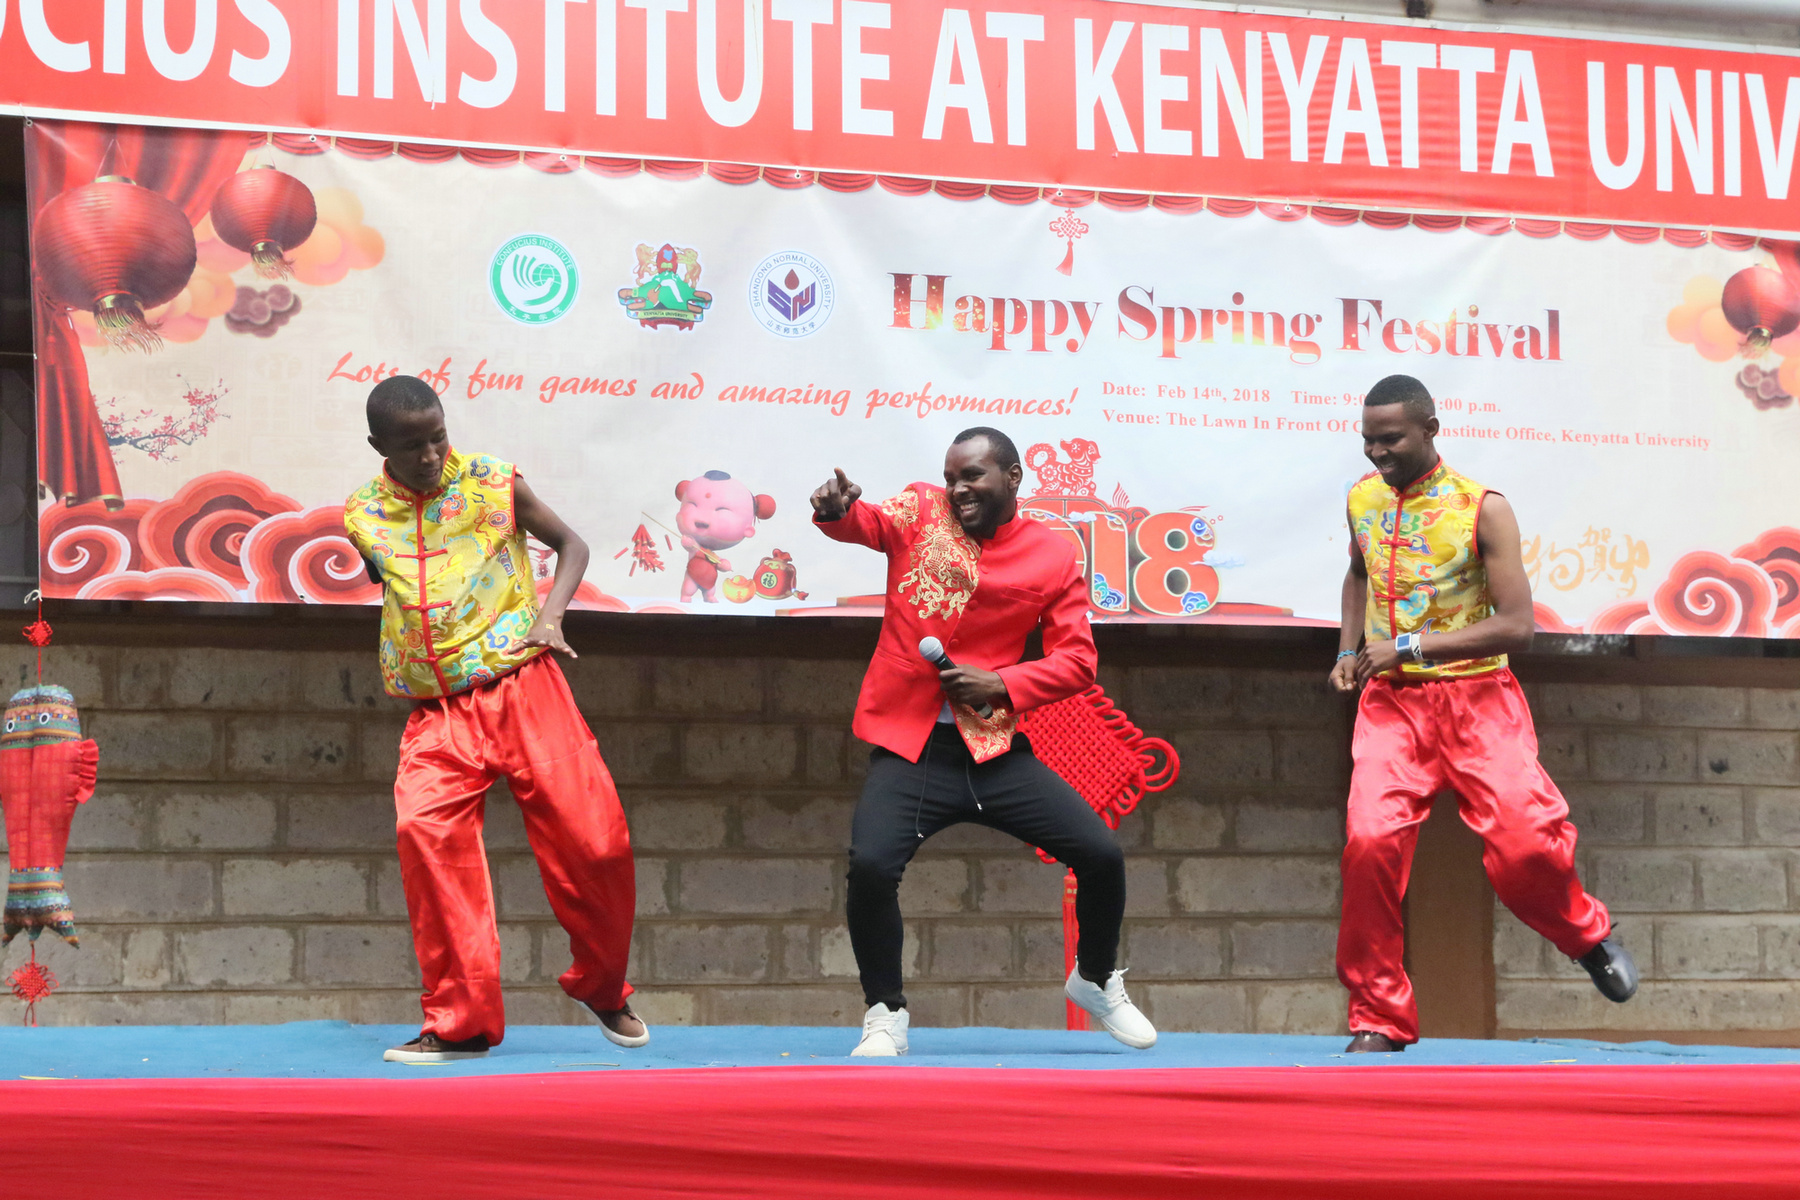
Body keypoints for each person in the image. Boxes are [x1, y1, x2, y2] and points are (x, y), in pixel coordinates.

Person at [811, 427, 1155, 1055]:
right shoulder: (922, 511)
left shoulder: (1052, 554)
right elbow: (866, 523)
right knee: (872, 867)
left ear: (1012, 478)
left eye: (972, 476)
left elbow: (1078, 661)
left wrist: (1001, 683)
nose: (958, 489)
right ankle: (885, 1013)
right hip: (913, 748)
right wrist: (836, 512)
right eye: (952, 478)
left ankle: (1095, 979)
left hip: (993, 750)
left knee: (1101, 855)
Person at [1329, 374, 1638, 1053]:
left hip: (1478, 699)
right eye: (1368, 440)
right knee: (1369, 845)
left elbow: (1518, 626)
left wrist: (1409, 645)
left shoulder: (1482, 508)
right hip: (1393, 707)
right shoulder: (1362, 498)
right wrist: (1349, 650)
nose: (1376, 452)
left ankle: (1586, 936)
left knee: (1525, 842)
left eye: (1390, 439)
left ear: (1430, 430)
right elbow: (1358, 573)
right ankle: (1378, 1017)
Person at [344, 375, 645, 1063]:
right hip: (439, 708)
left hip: (524, 685)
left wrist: (550, 617)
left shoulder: (493, 483)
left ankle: (602, 986)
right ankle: (463, 1023)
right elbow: (387, 581)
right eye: (411, 446)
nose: (430, 456)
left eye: (437, 437)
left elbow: (572, 545)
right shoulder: (362, 514)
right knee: (425, 835)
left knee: (595, 843)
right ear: (379, 447)